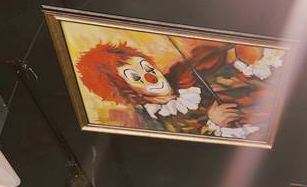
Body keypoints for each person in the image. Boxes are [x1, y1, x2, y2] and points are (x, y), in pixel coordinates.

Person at [75, 42, 259, 139]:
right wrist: (214, 124)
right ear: (126, 90)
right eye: (136, 78)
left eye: (147, 68)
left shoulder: (189, 72)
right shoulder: (152, 122)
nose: (151, 77)